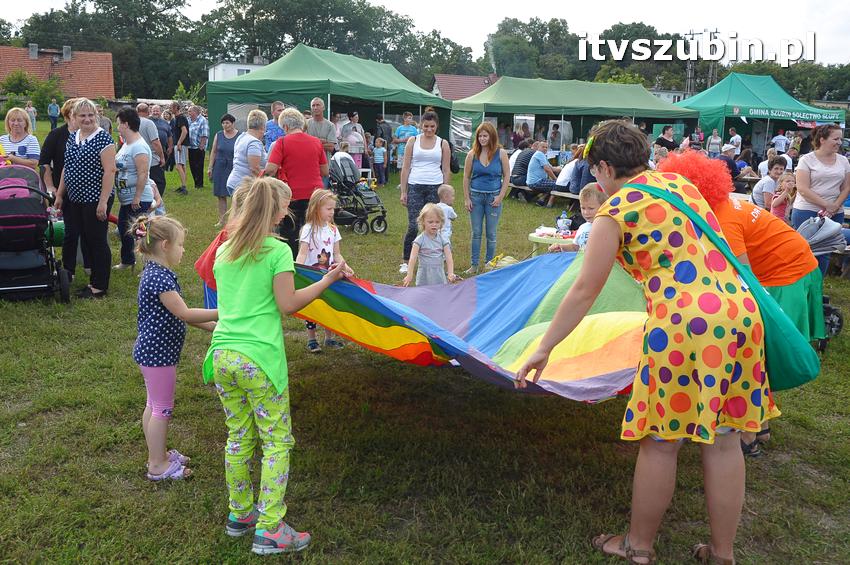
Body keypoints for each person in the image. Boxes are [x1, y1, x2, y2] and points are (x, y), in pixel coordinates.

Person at [516, 120, 777, 565]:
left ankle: (637, 547)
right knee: (725, 440)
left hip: (684, 325)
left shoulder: (614, 212)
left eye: (594, 170)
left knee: (661, 440)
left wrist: (545, 346)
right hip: (740, 315)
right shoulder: (682, 186)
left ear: (604, 167)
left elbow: (585, 289)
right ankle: (723, 554)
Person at [202, 176, 347, 555]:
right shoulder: (278, 251)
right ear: (276, 211)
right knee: (276, 440)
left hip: (223, 355)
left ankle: (240, 514)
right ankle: (270, 528)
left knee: (238, 436)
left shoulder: (225, 250)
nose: (288, 212)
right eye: (285, 206)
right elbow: (288, 304)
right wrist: (328, 279)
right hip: (259, 359)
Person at [658, 150, 823, 457]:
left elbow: (741, 276)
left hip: (787, 271)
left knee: (762, 349)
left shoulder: (721, 218)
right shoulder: (717, 206)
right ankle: (758, 425)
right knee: (756, 349)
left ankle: (752, 431)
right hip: (790, 264)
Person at [131, 215, 217, 481]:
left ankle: (157, 454)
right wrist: (226, 312)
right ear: (165, 245)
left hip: (153, 353)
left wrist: (215, 326)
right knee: (162, 408)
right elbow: (185, 313)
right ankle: (158, 465)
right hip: (158, 356)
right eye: (180, 245)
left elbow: (182, 315)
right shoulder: (160, 279)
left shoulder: (156, 273)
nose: (183, 250)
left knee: (153, 405)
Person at [54, 98, 116, 298]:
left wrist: (103, 202)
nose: (87, 119)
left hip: (95, 198)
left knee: (97, 240)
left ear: (96, 116)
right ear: (74, 117)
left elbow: (110, 171)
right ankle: (93, 280)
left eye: (91, 115)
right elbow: (67, 167)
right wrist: (60, 194)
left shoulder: (103, 139)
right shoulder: (74, 137)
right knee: (85, 239)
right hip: (75, 198)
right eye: (82, 115)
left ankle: (99, 286)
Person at [296, 189, 354, 354]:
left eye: (333, 208)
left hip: (329, 275)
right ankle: (312, 339)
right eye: (328, 209)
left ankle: (329, 337)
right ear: (316, 208)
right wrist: (297, 270)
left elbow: (337, 254)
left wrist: (345, 266)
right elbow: (302, 253)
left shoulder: (333, 230)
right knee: (313, 308)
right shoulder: (308, 229)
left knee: (329, 306)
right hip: (312, 276)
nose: (332, 212)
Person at [265, 108, 328, 257]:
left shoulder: (282, 142)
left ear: (286, 127)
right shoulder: (316, 142)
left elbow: (270, 169)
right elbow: (325, 171)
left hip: (291, 195)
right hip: (315, 194)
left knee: (289, 233)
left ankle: (291, 261)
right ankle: (314, 261)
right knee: (313, 232)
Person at [792, 124, 850, 273]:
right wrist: (826, 205)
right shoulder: (806, 160)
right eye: (835, 139)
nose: (839, 142)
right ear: (822, 139)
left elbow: (846, 187)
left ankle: (818, 285)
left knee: (825, 253)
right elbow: (803, 188)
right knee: (805, 251)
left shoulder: (843, 161)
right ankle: (802, 283)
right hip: (807, 211)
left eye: (840, 139)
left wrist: (835, 206)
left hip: (835, 213)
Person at [399, 111, 451, 275]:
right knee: (414, 225)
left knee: (435, 225)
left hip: (435, 186)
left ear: (437, 126)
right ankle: (406, 260)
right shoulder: (412, 141)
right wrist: (404, 191)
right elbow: (405, 167)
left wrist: (445, 191)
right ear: (421, 125)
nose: (429, 129)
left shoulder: (443, 143)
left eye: (432, 126)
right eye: (426, 126)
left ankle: (437, 256)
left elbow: (446, 169)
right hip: (415, 185)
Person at [462, 122, 510, 274]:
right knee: (476, 232)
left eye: (485, 136)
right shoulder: (472, 154)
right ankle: (474, 264)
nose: (482, 139)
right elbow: (466, 177)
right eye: (480, 136)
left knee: (491, 233)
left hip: (493, 198)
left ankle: (489, 264)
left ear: (492, 136)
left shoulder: (501, 153)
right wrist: (467, 198)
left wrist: (501, 196)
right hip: (475, 197)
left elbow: (507, 176)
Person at [194, 180, 250, 309]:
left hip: (229, 278)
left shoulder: (246, 230)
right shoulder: (233, 233)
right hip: (213, 276)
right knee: (216, 315)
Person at [112, 107, 156, 272]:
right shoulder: (127, 144)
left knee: (140, 233)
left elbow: (142, 173)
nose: (117, 127)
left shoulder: (139, 146)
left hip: (138, 199)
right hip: (127, 199)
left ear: (126, 124)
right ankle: (128, 260)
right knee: (124, 230)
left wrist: (137, 197)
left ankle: (148, 266)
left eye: (119, 124)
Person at [402, 203, 457, 287]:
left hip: (439, 275)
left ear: (441, 222)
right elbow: (412, 259)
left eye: (437, 222)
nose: (434, 224)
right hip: (424, 275)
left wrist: (450, 273)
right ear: (423, 222)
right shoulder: (419, 240)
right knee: (423, 293)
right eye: (430, 222)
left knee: (439, 292)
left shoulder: (443, 240)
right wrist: (409, 275)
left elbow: (449, 258)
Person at [548, 183, 606, 252]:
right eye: (583, 208)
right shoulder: (583, 227)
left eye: (591, 208)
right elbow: (575, 247)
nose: (586, 212)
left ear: (604, 206)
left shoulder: (608, 227)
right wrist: (561, 247)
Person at [226, 109, 267, 198]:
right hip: (243, 186)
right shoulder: (254, 143)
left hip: (235, 182)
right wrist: (267, 183)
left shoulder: (242, 137)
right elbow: (254, 168)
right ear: (262, 127)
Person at [208, 113, 239, 226]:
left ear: (233, 123)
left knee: (236, 195)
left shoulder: (240, 136)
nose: (225, 125)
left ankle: (235, 220)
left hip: (233, 167)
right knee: (221, 195)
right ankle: (222, 220)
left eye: (227, 123)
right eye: (223, 123)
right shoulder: (219, 135)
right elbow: (214, 151)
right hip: (219, 166)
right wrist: (210, 167)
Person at [135, 104, 166, 200]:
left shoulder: (131, 123)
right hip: (151, 160)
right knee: (159, 182)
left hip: (135, 158)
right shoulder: (149, 123)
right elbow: (155, 142)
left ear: (137, 111)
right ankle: (155, 201)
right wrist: (162, 157)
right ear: (148, 112)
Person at [305, 97, 337, 187]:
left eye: (318, 105)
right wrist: (322, 141)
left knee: (322, 193)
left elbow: (331, 147)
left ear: (323, 107)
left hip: (324, 168)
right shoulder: (305, 124)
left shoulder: (330, 126)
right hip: (308, 166)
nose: (315, 108)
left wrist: (312, 141)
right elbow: (304, 145)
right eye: (313, 105)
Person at [526, 141, 562, 206]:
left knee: (552, 184)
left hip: (533, 181)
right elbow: (547, 169)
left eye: (546, 147)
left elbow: (552, 168)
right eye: (543, 147)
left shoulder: (541, 155)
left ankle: (540, 199)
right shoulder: (539, 154)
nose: (545, 149)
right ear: (538, 147)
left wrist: (561, 168)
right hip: (536, 182)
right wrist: (555, 179)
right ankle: (547, 202)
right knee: (558, 185)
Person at [150, 105, 173, 192]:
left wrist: (170, 147)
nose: (155, 112)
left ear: (160, 112)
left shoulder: (165, 122)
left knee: (161, 167)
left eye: (157, 111)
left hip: (162, 149)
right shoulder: (148, 121)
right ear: (151, 111)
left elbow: (170, 136)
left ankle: (158, 184)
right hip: (151, 149)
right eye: (154, 111)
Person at [170, 102, 190, 194]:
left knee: (178, 166)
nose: (170, 109)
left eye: (171, 108)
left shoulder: (180, 118)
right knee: (182, 165)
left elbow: (184, 131)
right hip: (180, 144)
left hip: (180, 144)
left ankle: (184, 187)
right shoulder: (176, 118)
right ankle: (183, 185)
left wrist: (179, 142)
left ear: (176, 108)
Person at [187, 105, 209, 190]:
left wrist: (201, 146)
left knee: (199, 166)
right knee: (192, 166)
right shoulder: (189, 120)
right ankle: (196, 183)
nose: (188, 113)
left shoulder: (202, 120)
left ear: (195, 112)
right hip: (191, 147)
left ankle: (199, 184)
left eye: (190, 111)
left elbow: (205, 134)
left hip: (198, 147)